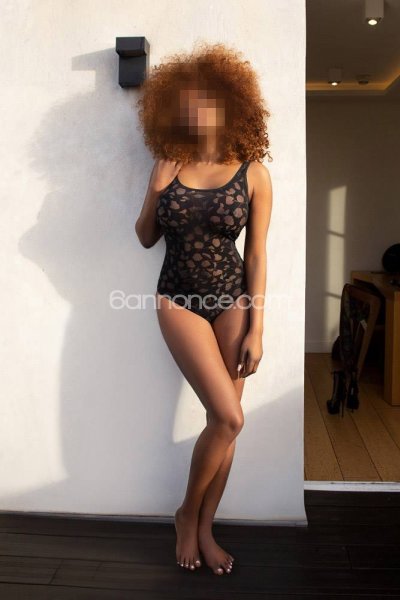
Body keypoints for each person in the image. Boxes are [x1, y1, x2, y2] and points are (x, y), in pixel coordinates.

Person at [135, 41, 273, 576]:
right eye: (189, 102)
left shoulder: (254, 173)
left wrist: (256, 326)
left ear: (230, 104)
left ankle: (205, 526)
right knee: (229, 416)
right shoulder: (168, 164)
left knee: (226, 425)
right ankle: (185, 515)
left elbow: (256, 254)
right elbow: (146, 237)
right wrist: (154, 190)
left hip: (233, 300)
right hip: (179, 299)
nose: (198, 110)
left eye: (207, 100)